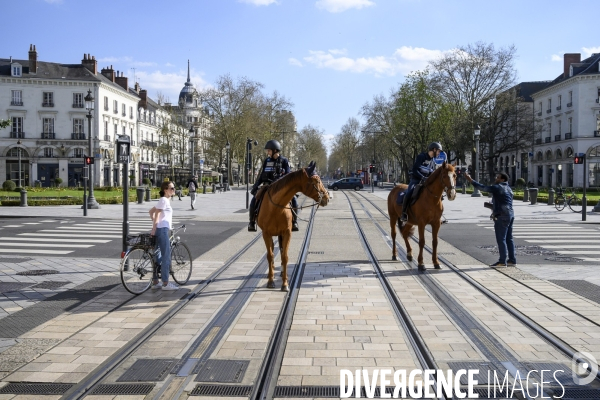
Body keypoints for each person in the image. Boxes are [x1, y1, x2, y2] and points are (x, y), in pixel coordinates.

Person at [465, 171, 516, 268]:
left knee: (501, 239)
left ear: (502, 180)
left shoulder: (498, 187)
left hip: (502, 216)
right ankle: (512, 260)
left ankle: (502, 261)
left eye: (498, 177)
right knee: (509, 238)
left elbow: (483, 188)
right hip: (511, 215)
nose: (496, 179)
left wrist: (470, 180)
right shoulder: (509, 189)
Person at [248, 139, 299, 232]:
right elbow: (262, 175)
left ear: (275, 150)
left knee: (294, 199)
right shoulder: (267, 161)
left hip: (280, 188)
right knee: (254, 199)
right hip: (266, 187)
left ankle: (295, 221)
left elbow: (288, 175)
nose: (267, 152)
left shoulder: (284, 161)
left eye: (269, 150)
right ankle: (252, 222)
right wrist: (256, 185)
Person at [401, 142, 443, 222]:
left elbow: (432, 173)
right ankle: (404, 213)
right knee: (409, 193)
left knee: (438, 195)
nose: (439, 153)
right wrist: (422, 177)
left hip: (427, 181)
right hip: (416, 180)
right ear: (434, 149)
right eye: (438, 151)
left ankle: (437, 215)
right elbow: (414, 170)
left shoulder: (433, 160)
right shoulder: (421, 157)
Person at [149, 181, 179, 291]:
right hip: (162, 230)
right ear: (165, 190)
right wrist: (155, 227)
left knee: (157, 256)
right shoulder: (164, 200)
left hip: (160, 229)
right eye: (171, 188)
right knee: (166, 256)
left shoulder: (164, 201)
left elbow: (151, 212)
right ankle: (165, 283)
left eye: (174, 188)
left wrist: (157, 225)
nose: (173, 190)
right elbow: (156, 213)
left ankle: (156, 281)